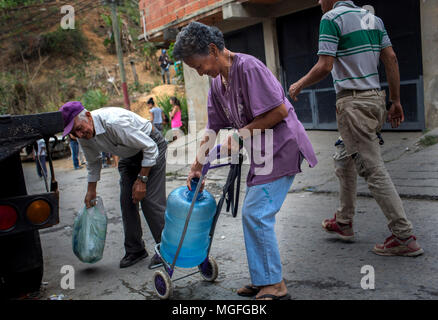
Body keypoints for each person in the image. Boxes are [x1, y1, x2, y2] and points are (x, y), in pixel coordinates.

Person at [173, 22, 317, 300]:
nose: (200, 73)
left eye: (199, 66)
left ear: (213, 50)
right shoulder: (217, 83)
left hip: (282, 147)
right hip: (263, 155)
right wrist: (197, 167)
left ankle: (274, 284)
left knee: (256, 213)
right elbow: (213, 127)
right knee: (254, 214)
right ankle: (264, 279)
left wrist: (241, 135)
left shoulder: (249, 68)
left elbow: (279, 110)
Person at [288, 0, 423, 257]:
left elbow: (325, 65)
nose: (318, 2)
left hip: (353, 105)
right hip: (374, 100)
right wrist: (395, 100)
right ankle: (344, 221)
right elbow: (391, 58)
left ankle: (404, 235)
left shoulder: (331, 18)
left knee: (372, 169)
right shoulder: (373, 18)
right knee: (343, 157)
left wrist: (299, 84)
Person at [59, 101, 167, 269]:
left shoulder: (114, 122)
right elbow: (93, 163)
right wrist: (91, 191)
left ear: (88, 116)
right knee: (127, 201)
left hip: (151, 146)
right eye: (74, 133)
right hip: (129, 155)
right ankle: (135, 250)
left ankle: (168, 250)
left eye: (79, 128)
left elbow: (150, 147)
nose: (79, 134)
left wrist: (142, 180)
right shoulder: (84, 135)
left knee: (149, 201)